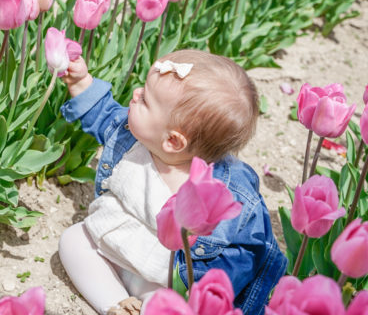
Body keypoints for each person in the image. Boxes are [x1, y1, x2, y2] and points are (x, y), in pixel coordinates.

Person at [57, 50, 287, 315]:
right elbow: (103, 114)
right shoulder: (131, 135)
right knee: (73, 241)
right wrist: (81, 82)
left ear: (173, 141)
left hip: (160, 273)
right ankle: (114, 304)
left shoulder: (223, 192)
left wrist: (209, 288)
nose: (135, 94)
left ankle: (145, 307)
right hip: (108, 239)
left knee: (164, 302)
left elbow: (248, 248)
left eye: (145, 99)